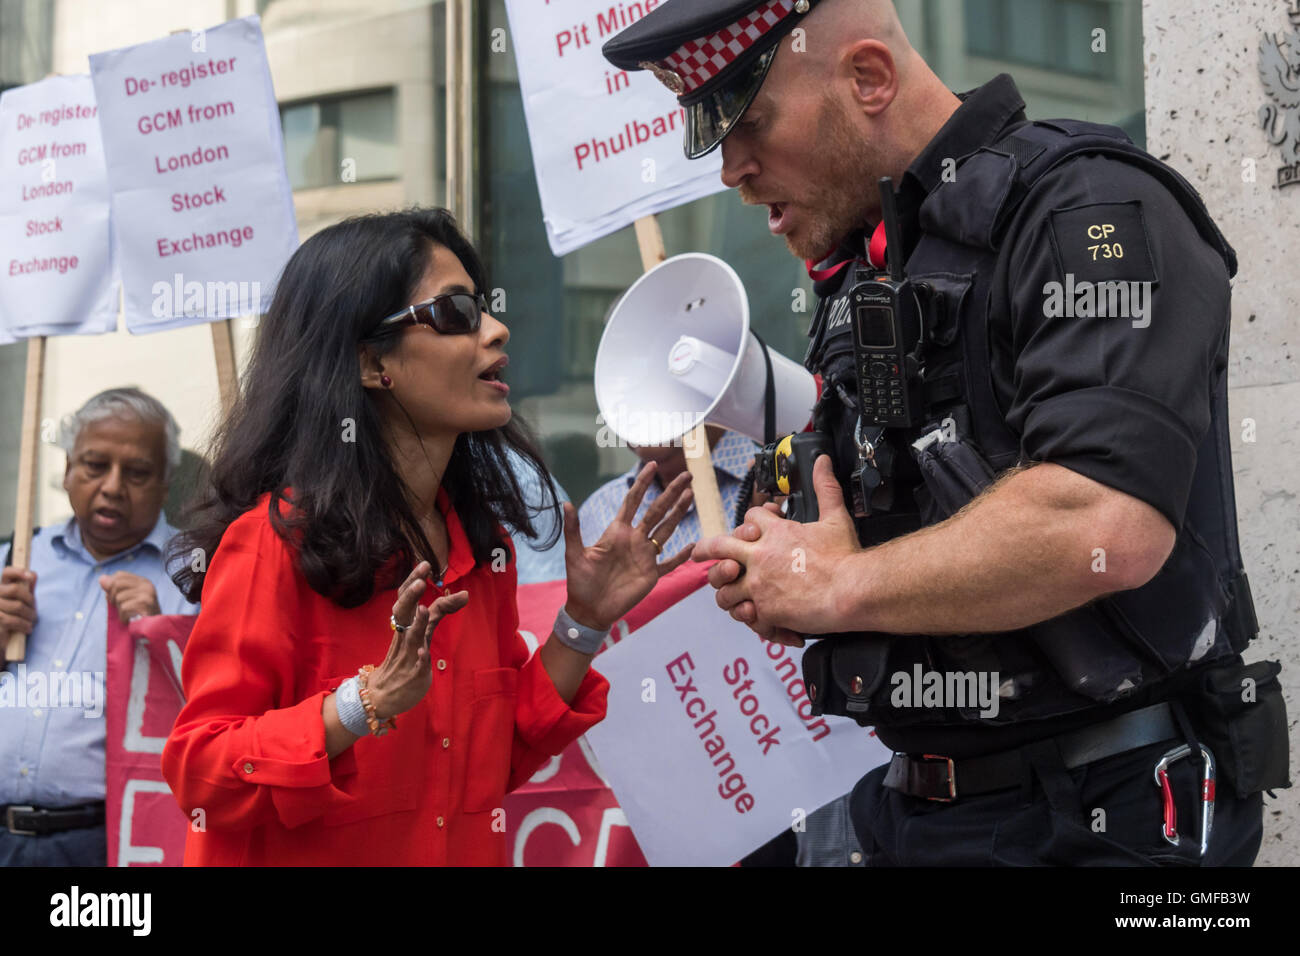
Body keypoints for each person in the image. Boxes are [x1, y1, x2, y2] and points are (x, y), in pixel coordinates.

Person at [605, 0, 1285, 865]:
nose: (734, 169)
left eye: (752, 121)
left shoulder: (1088, 206)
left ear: (868, 78)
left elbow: (1104, 522)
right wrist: (785, 564)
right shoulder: (875, 266)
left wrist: (839, 586)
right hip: (923, 812)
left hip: (1107, 821)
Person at [160, 208, 695, 866]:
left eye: (486, 309)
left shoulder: (478, 550)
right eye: (455, 313)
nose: (496, 331)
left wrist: (581, 623)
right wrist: (362, 705)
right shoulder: (271, 544)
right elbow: (202, 775)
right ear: (369, 362)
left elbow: (488, 764)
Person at [0, 387, 199, 866]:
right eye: (94, 465)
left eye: (137, 473)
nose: (112, 486)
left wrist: (164, 637)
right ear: (67, 468)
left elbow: (218, 717)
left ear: (166, 482)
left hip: (111, 840)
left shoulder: (195, 575)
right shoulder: (14, 558)